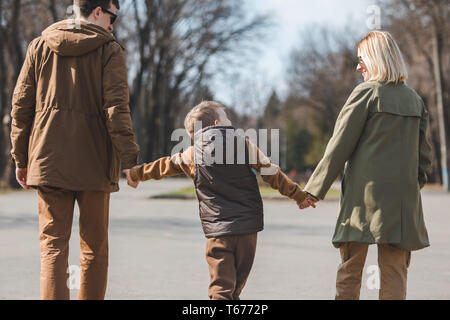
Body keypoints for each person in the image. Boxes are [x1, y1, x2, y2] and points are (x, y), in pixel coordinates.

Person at [10, 0, 140, 300]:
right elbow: (116, 110)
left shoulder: (40, 46)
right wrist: (130, 159)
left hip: (47, 160)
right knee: (94, 247)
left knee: (53, 246)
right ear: (98, 11)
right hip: (94, 165)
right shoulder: (110, 51)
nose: (112, 25)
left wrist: (21, 157)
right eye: (112, 17)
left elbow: (20, 107)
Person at [123, 101, 309, 300]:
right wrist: (298, 195)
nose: (230, 122)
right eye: (227, 118)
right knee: (235, 287)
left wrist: (136, 173)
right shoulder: (245, 145)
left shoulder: (192, 154)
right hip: (248, 231)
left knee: (221, 288)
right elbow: (272, 173)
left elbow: (165, 165)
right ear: (216, 123)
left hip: (219, 232)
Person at [298, 30, 432, 300]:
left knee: (351, 269)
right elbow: (423, 158)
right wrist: (409, 187)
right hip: (401, 202)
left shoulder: (365, 94)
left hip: (363, 200)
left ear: (377, 59)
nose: (358, 66)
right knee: (395, 272)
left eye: (362, 59)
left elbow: (339, 145)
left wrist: (314, 189)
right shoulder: (414, 100)